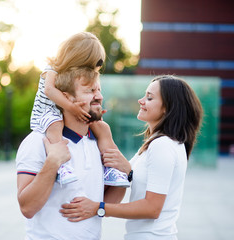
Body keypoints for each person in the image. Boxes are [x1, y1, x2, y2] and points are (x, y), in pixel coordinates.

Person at [60, 75, 203, 240]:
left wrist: (97, 208)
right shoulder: (158, 143)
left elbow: (152, 208)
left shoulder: (162, 145)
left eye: (149, 98)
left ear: (167, 108)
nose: (141, 101)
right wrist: (129, 171)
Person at [16, 67, 125, 239]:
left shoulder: (98, 142)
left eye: (99, 90)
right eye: (90, 90)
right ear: (66, 98)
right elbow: (27, 208)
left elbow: (108, 202)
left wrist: (123, 173)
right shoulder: (38, 141)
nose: (99, 96)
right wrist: (53, 162)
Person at [30, 31, 129, 187]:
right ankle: (61, 166)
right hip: (46, 112)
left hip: (63, 110)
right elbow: (49, 90)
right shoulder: (53, 67)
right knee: (55, 124)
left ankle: (110, 169)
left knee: (102, 127)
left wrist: (95, 114)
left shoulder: (76, 75)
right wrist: (72, 107)